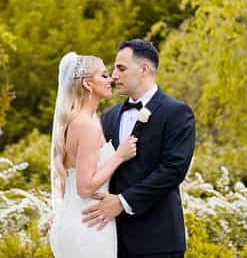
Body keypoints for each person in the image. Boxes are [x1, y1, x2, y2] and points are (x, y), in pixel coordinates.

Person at [83, 39, 196, 258]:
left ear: (144, 69)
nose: (114, 75)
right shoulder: (109, 117)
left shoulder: (177, 113)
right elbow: (93, 169)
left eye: (121, 68)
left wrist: (123, 202)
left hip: (159, 242)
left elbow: (174, 171)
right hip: (111, 240)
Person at [49, 52, 138, 258]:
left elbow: (66, 181)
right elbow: (85, 187)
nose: (111, 80)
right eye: (104, 75)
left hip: (73, 219)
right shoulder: (86, 125)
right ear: (88, 84)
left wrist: (63, 213)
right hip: (90, 224)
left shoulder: (76, 120)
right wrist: (119, 156)